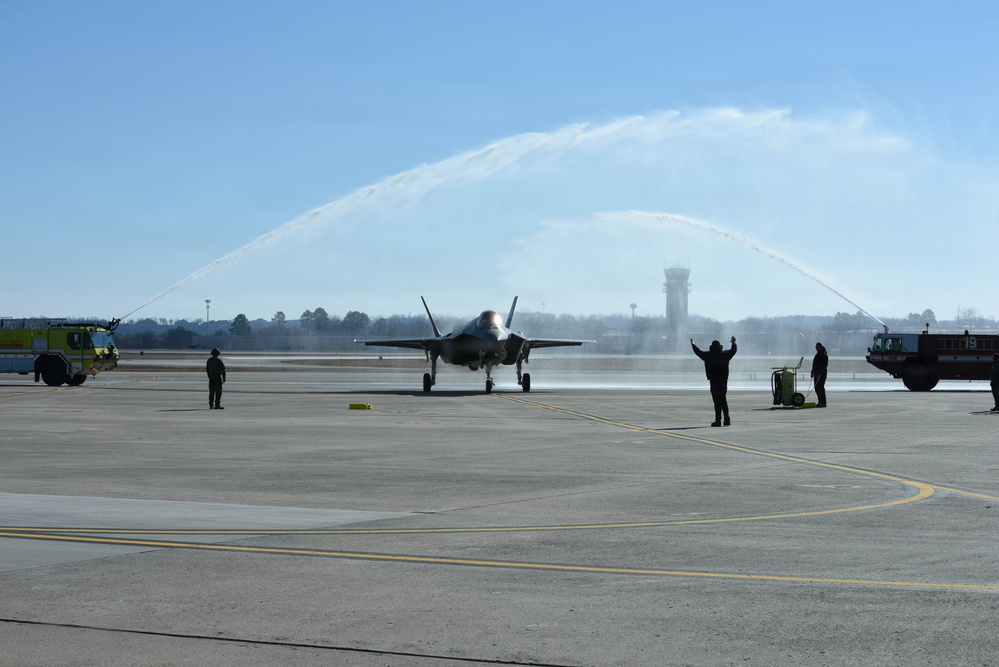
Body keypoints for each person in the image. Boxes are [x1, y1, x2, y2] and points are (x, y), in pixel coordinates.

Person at [690, 336, 737, 427]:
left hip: (714, 381)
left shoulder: (708, 356)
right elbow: (734, 350)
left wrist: (693, 344)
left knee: (716, 401)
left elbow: (698, 352)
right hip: (723, 381)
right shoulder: (725, 355)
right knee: (723, 400)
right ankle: (727, 420)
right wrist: (733, 342)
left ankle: (718, 420)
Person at [811, 342, 829, 408]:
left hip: (821, 375)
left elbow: (824, 366)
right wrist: (812, 372)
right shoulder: (818, 354)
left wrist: (820, 374)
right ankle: (820, 401)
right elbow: (815, 364)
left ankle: (823, 402)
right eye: (816, 347)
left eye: (818, 347)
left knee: (820, 388)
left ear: (821, 347)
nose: (817, 348)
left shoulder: (824, 355)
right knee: (817, 388)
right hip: (816, 374)